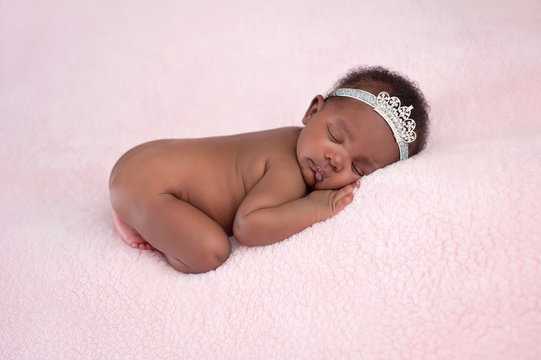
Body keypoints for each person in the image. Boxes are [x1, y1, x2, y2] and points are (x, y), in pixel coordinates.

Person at [109, 65, 430, 274]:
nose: (337, 160)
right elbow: (249, 227)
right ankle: (140, 221)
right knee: (210, 253)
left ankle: (141, 210)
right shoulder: (288, 170)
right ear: (312, 110)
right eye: (335, 136)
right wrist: (316, 207)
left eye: (358, 167)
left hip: (146, 158)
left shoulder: (295, 139)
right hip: (149, 182)